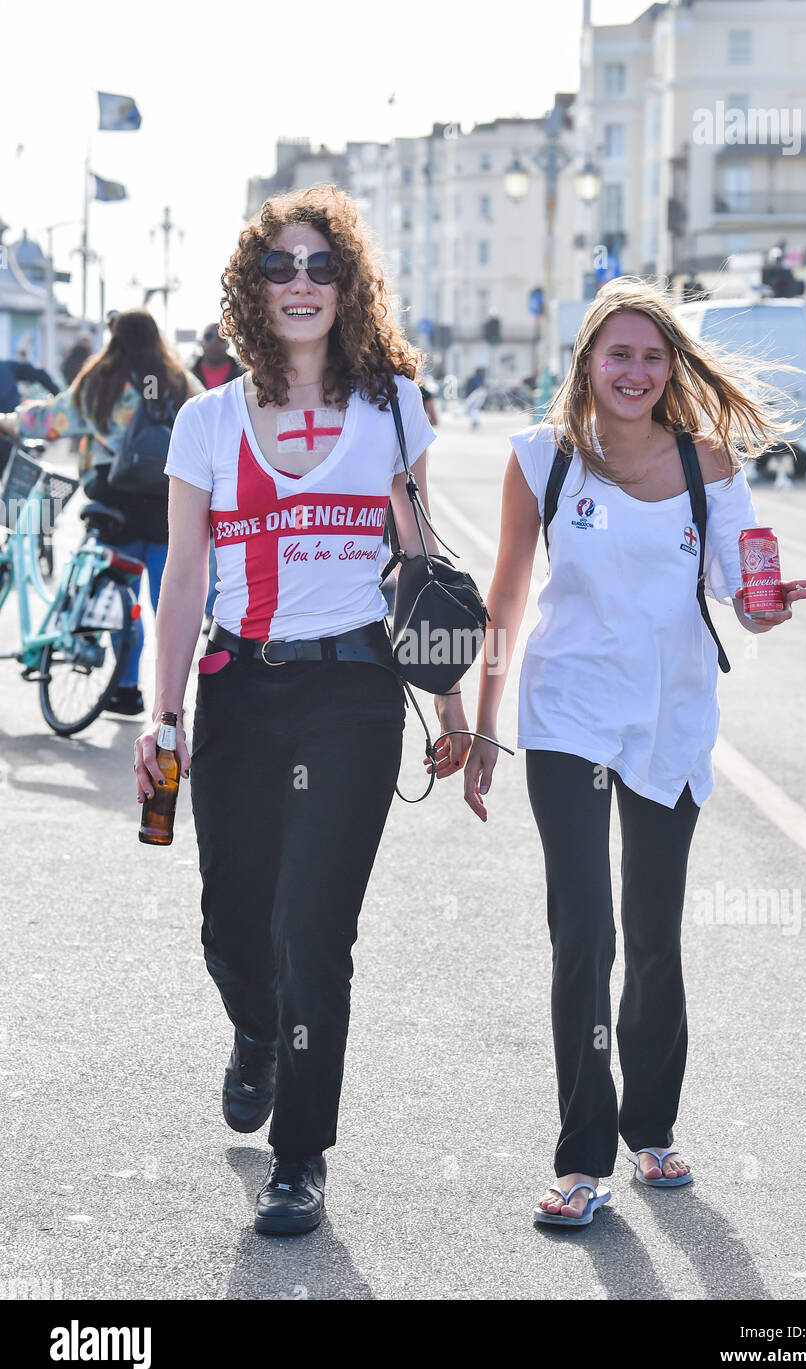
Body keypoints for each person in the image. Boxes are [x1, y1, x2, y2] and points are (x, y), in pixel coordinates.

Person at [133, 184, 471, 1237]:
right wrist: (162, 714)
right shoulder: (206, 420)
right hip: (239, 685)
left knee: (313, 929)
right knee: (235, 924)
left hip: (352, 692)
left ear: (348, 285)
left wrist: (448, 696)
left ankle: (300, 1158)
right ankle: (254, 1031)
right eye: (279, 266)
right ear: (252, 285)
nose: (300, 283)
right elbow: (182, 581)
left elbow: (421, 566)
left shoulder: (394, 408)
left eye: (320, 266)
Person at [459, 277, 806, 1225]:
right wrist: (486, 722)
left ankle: (650, 1128)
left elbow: (745, 590)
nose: (636, 371)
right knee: (586, 932)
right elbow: (503, 600)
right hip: (568, 714)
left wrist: (766, 607)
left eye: (653, 356)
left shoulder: (709, 461)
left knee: (652, 935)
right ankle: (580, 1159)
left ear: (671, 368)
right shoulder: (543, 459)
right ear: (587, 362)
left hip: (670, 721)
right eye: (618, 354)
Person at [0, 309, 203, 715]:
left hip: (115, 506)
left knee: (119, 602)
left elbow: (52, 418)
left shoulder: (102, 382)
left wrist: (9, 422)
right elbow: (206, 423)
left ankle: (127, 688)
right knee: (172, 608)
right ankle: (171, 704)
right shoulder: (179, 381)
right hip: (170, 507)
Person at [190, 324, 245, 629]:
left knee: (224, 535)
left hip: (233, 457)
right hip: (198, 461)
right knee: (199, 537)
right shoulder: (186, 374)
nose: (216, 342)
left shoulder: (242, 373)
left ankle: (215, 608)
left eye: (222, 337)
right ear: (201, 342)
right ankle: (208, 607)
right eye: (210, 336)